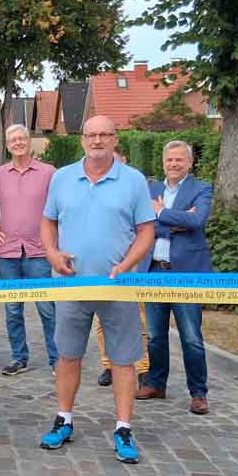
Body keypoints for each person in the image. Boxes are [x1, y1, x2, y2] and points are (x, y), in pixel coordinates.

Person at [39, 116, 155, 464]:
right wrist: (52, 253)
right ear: (82, 140)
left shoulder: (133, 180)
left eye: (105, 134)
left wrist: (126, 265)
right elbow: (48, 221)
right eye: (91, 135)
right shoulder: (62, 177)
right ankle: (64, 419)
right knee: (67, 355)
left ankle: (123, 428)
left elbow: (146, 231)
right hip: (71, 283)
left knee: (123, 359)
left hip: (118, 286)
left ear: (115, 139)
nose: (97, 140)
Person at [135, 140, 215, 415]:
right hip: (154, 270)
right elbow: (140, 225)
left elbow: (197, 221)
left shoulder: (201, 189)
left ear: (190, 163)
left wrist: (161, 213)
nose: (173, 164)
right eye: (169, 160)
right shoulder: (151, 189)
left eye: (179, 160)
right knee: (155, 334)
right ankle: (156, 383)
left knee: (191, 336)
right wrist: (176, 222)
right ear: (163, 162)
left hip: (186, 273)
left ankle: (198, 392)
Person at [0, 124, 58, 376]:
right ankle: (19, 357)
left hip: (38, 251)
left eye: (22, 139)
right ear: (8, 146)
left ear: (29, 142)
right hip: (8, 252)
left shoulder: (49, 172)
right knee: (13, 309)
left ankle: (57, 359)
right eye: (13, 140)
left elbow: (64, 204)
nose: (18, 143)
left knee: (47, 308)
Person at [96, 142, 151, 388]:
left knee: (136, 317)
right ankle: (108, 364)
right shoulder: (95, 188)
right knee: (101, 320)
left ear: (124, 160)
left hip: (129, 263)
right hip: (100, 264)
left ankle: (143, 368)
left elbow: (145, 227)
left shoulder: (134, 186)